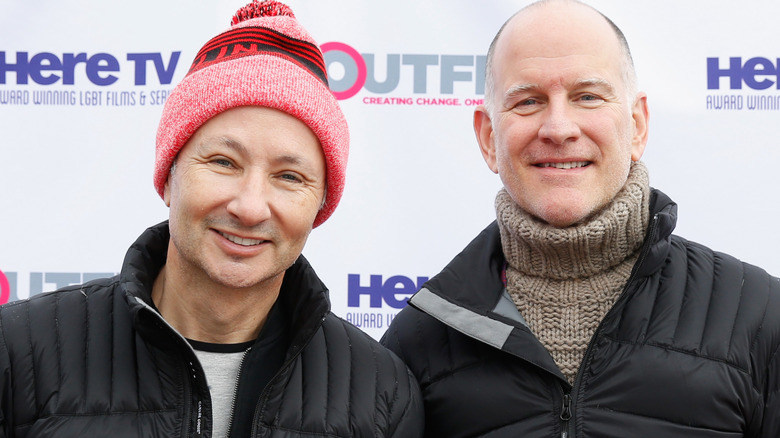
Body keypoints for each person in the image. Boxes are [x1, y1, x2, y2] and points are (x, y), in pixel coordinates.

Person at [0, 1, 423, 437]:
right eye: (223, 162)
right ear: (168, 177)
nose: (250, 206)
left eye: (289, 176)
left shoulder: (381, 395)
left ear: (320, 205)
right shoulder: (18, 352)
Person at [381, 0, 780, 436]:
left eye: (587, 96)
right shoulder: (419, 341)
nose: (558, 127)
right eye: (528, 101)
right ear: (488, 138)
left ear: (638, 126)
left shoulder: (758, 315)